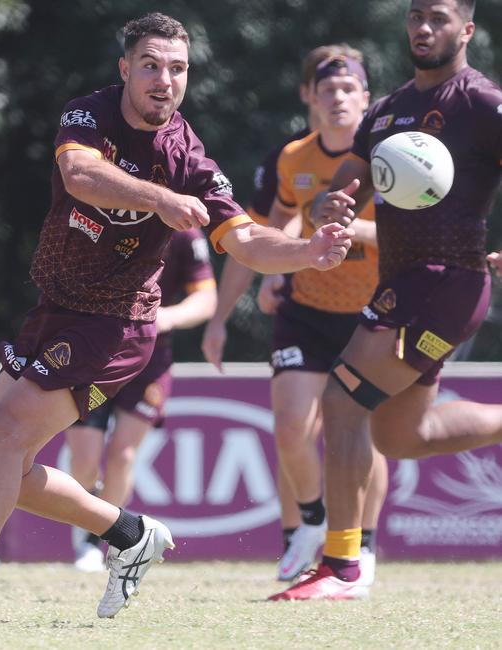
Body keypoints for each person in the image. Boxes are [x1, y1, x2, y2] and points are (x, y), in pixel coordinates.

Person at [0, 12, 352, 622]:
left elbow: (243, 238)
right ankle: (130, 535)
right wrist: (159, 198)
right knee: (0, 463)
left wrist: (304, 254)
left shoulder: (190, 158)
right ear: (125, 69)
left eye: (178, 69)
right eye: (152, 66)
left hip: (116, 324)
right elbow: (79, 177)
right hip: (55, 308)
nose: (165, 80)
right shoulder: (90, 115)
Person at [275, 0, 502, 601]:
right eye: (416, 17)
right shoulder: (387, 111)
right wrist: (327, 206)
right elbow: (337, 189)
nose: (424, 29)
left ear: (467, 29)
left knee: (342, 398)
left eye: (439, 18)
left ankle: (343, 565)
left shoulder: (482, 103)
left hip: (445, 283)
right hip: (406, 285)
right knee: (401, 436)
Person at [202, 46, 388, 584]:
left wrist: (355, 233)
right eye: (328, 90)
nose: (337, 99)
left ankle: (364, 545)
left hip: (370, 315)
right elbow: (264, 232)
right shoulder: (292, 159)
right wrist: (269, 276)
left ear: (366, 100)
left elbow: (411, 238)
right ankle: (310, 522)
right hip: (305, 311)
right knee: (289, 426)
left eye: (348, 90)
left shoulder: (390, 160)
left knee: (361, 436)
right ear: (311, 97)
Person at [67, 228, 216, 572]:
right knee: (84, 460)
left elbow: (206, 299)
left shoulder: (185, 234)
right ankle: (98, 502)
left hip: (150, 359)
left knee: (123, 455)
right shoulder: (105, 217)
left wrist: (166, 318)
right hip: (94, 353)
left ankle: (96, 540)